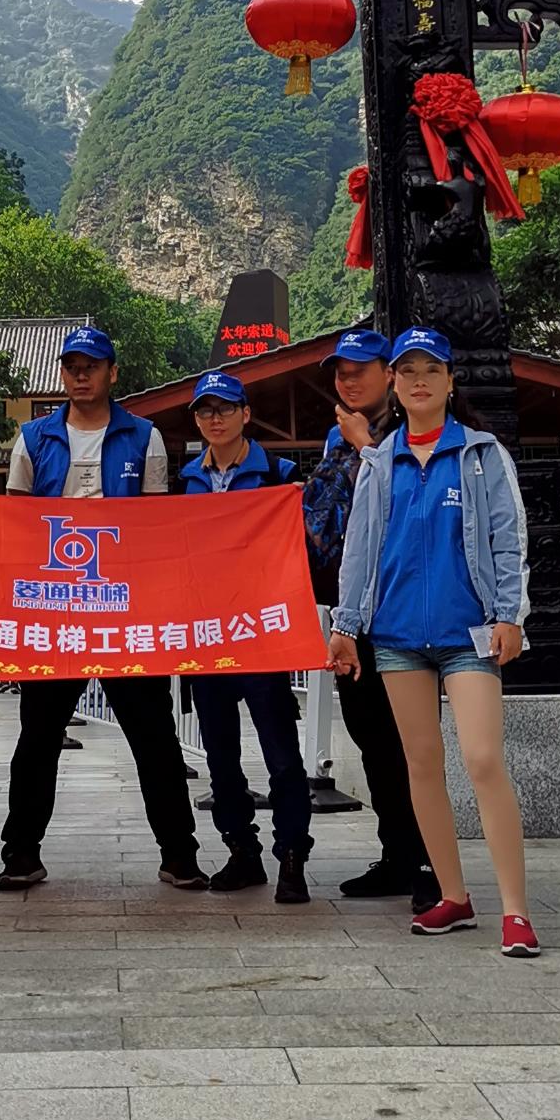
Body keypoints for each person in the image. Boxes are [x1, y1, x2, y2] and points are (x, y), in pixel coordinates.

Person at [328, 326, 539, 958]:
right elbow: (360, 549)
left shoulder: (480, 454)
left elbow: (508, 537)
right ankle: (453, 894)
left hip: (467, 633)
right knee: (420, 764)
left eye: (431, 370)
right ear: (394, 383)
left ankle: (516, 910)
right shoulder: (379, 462)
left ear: (450, 382)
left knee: (482, 758)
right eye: (408, 371)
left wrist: (510, 615)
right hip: (396, 637)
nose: (419, 381)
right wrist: (345, 626)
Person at [0, 326, 205, 893]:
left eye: (92, 365)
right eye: (73, 366)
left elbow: (156, 523)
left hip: (123, 611)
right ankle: (21, 853)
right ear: (63, 373)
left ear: (113, 372)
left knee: (154, 735)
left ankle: (179, 854)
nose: (81, 375)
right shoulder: (33, 438)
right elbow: (15, 525)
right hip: (55, 611)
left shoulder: (144, 436)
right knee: (38, 736)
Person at [301, 329, 440, 913]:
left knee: (414, 746)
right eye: (341, 372)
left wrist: (366, 447)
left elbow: (413, 509)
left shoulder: (414, 432)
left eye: (360, 369)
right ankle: (397, 856)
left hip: (405, 612)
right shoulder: (339, 435)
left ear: (389, 375)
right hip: (352, 616)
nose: (348, 380)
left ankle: (433, 865)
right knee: (373, 741)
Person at [177, 371, 313, 904]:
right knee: (221, 757)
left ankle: (292, 855)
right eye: (205, 411)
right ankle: (241, 851)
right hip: (206, 635)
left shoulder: (279, 474)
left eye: (225, 409)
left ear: (246, 414)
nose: (215, 419)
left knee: (282, 756)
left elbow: (299, 548)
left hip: (262, 634)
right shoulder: (185, 481)